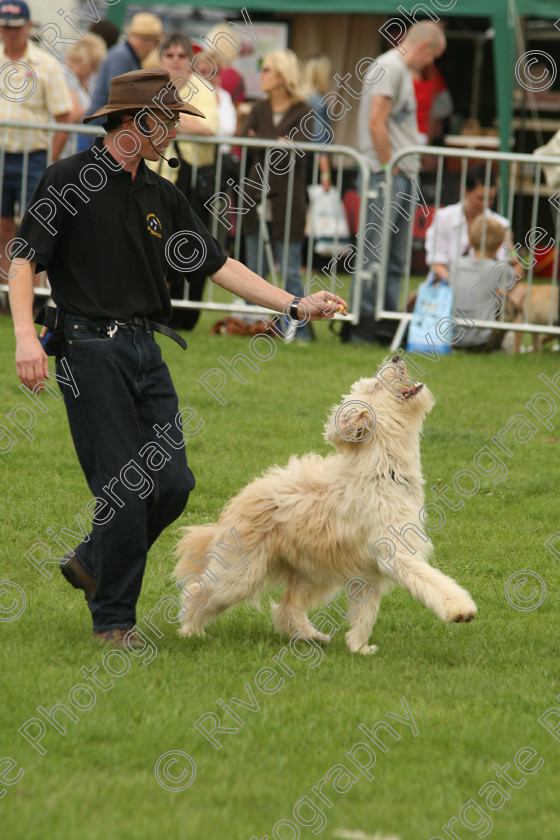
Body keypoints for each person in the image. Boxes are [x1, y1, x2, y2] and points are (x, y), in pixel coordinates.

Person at [8, 69, 347, 649]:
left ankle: (93, 559)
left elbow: (220, 265)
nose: (172, 132)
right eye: (165, 121)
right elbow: (22, 261)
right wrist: (24, 337)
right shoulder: (68, 179)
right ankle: (114, 621)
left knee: (173, 482)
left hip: (146, 349)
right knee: (126, 487)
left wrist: (294, 303)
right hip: (87, 349)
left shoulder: (164, 193)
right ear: (134, 122)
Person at [351, 21, 447, 344]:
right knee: (374, 254)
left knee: (394, 257)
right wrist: (390, 165)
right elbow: (376, 121)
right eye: (433, 56)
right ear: (424, 48)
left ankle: (385, 322)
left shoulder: (401, 71)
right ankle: (364, 322)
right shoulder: (389, 67)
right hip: (386, 174)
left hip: (399, 173)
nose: (431, 64)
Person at [147, 32, 220, 330]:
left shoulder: (201, 88)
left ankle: (185, 313)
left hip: (192, 179)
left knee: (190, 243)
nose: (175, 61)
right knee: (152, 240)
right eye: (170, 55)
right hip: (156, 174)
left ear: (190, 61)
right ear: (161, 58)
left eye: (181, 56)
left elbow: (209, 127)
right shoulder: (151, 85)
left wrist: (169, 117)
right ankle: (152, 307)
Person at [241, 50, 313, 340]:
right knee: (254, 271)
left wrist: (265, 142)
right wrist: (277, 143)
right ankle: (256, 328)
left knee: (290, 271)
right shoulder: (259, 107)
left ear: (283, 76)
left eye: (267, 70)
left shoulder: (304, 111)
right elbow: (242, 138)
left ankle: (300, 333)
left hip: (288, 199)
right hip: (256, 193)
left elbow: (299, 151)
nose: (261, 75)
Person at [0, 0, 71, 282]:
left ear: (28, 28)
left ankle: (34, 290)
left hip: (34, 156)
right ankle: (7, 289)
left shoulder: (46, 64)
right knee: (3, 225)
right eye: (5, 26)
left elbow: (64, 116)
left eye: (16, 27)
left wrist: (49, 159)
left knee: (35, 227)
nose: (10, 32)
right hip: (3, 155)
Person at [77, 12, 162, 149]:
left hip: (100, 133)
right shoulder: (121, 56)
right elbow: (120, 97)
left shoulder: (126, 56)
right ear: (150, 41)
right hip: (95, 135)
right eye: (155, 42)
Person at [425, 164, 518, 282]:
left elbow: (514, 265)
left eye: (490, 199)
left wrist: (511, 249)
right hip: (446, 289)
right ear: (466, 191)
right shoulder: (443, 218)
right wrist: (459, 287)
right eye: (480, 198)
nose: (485, 204)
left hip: (485, 291)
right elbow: (437, 265)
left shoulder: (500, 224)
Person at [451, 214, 511, 351]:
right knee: (511, 297)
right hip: (484, 340)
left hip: (453, 337)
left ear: (470, 240)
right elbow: (519, 273)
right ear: (499, 245)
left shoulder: (457, 264)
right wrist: (511, 250)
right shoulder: (499, 268)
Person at [56, 34, 107, 158]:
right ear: (84, 60)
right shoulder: (63, 74)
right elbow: (72, 113)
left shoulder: (87, 79)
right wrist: (100, 109)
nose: (95, 70)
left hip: (77, 148)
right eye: (93, 65)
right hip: (63, 149)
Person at [302, 54, 333, 190]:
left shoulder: (302, 98)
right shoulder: (317, 101)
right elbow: (320, 139)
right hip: (312, 163)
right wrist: (326, 173)